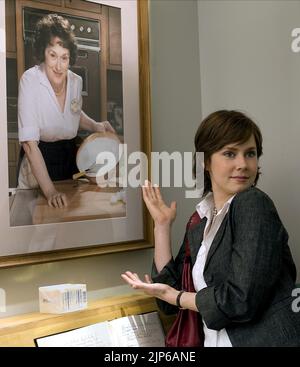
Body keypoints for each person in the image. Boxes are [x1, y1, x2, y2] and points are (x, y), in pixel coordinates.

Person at [121, 110, 300, 347]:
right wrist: (162, 227)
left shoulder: (253, 203)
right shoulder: (201, 220)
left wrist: (176, 297)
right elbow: (169, 302)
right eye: (229, 153)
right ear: (205, 161)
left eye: (250, 154)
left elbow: (239, 300)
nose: (243, 164)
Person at [17, 13, 115, 208]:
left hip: (68, 158)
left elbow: (73, 113)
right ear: (43, 53)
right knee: (40, 229)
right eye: (52, 55)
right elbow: (29, 144)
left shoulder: (75, 81)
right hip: (38, 163)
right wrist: (50, 191)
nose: (59, 66)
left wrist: (96, 125)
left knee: (69, 218)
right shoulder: (30, 81)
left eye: (64, 58)